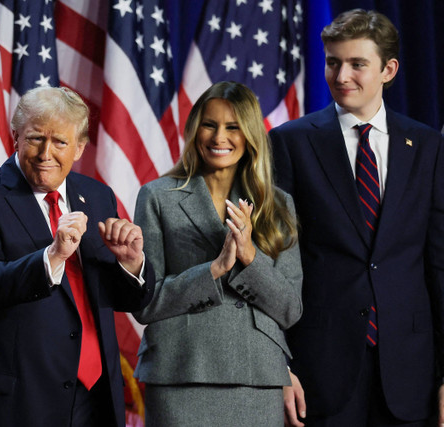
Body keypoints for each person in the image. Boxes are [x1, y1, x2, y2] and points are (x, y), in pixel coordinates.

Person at [0, 86, 155, 427]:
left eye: (60, 142)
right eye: (35, 138)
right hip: (14, 401)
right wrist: (52, 257)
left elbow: (120, 298)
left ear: (78, 148)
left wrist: (131, 263)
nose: (45, 153)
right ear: (16, 137)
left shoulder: (96, 195)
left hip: (92, 399)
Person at [269, 9, 444, 427]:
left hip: (410, 373)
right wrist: (279, 365)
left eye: (357, 64)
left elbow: (438, 263)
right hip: (319, 372)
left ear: (389, 70)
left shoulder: (426, 145)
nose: (342, 75)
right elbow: (274, 265)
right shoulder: (290, 142)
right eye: (333, 62)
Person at [133, 81, 303, 426]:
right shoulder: (157, 196)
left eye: (233, 127)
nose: (218, 137)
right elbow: (147, 302)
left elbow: (290, 309)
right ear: (196, 129)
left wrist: (250, 256)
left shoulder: (278, 204)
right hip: (181, 372)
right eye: (209, 124)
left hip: (256, 378)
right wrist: (212, 270)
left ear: (250, 134)